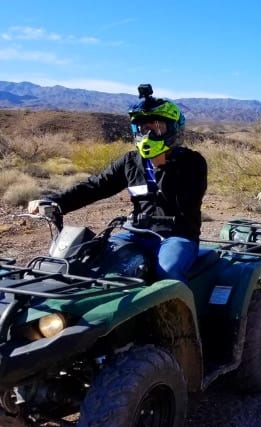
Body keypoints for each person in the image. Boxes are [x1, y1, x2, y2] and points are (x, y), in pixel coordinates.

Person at [28, 84, 207, 283]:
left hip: (176, 236)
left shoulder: (191, 162)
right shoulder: (130, 161)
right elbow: (96, 185)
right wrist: (55, 202)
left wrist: (161, 166)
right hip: (137, 234)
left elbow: (187, 203)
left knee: (166, 275)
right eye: (143, 128)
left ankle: (175, 313)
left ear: (172, 129)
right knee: (91, 259)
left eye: (156, 127)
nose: (147, 135)